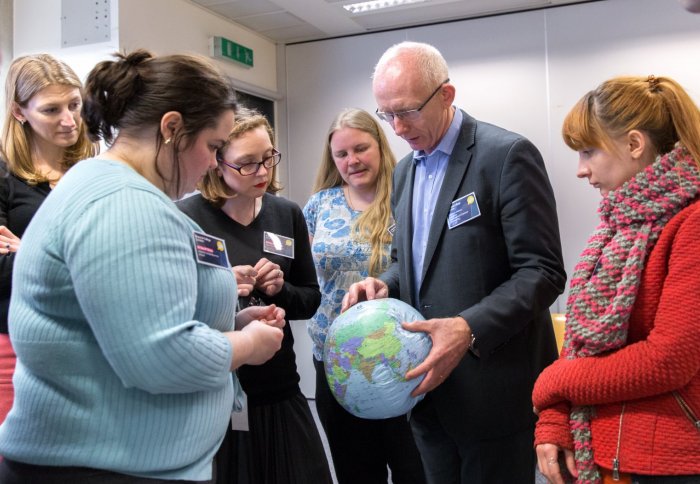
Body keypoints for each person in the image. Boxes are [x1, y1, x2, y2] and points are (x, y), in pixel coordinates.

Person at [0, 50, 285, 483]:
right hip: (97, 469)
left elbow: (132, 320)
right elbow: (159, 357)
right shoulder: (123, 202)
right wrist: (248, 344)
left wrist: (228, 318)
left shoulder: (111, 187)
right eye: (212, 146)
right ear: (171, 128)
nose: (213, 163)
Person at [343, 41, 567, 483]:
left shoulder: (505, 156)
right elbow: (405, 262)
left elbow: (542, 271)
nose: (397, 127)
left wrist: (468, 328)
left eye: (406, 111)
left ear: (446, 95)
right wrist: (385, 285)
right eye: (386, 114)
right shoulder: (405, 171)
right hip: (427, 395)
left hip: (494, 396)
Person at [533, 76, 700, 484]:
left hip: (665, 463)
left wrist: (553, 383)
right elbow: (581, 346)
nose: (580, 170)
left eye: (589, 151)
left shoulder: (692, 224)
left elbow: (669, 360)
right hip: (601, 451)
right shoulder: (616, 227)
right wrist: (553, 423)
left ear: (634, 144)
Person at [177, 107, 333, 484]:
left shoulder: (286, 214)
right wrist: (223, 286)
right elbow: (176, 307)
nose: (263, 172)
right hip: (218, 395)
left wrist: (281, 289)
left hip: (280, 387)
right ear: (216, 162)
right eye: (247, 164)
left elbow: (310, 300)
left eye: (268, 158)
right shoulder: (186, 217)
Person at [303, 107, 426, 484]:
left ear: (380, 145)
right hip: (336, 358)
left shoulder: (409, 196)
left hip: (401, 356)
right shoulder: (319, 205)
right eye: (341, 154)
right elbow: (308, 277)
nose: (352, 160)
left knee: (414, 467)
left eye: (361, 148)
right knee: (355, 468)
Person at [0, 53, 96, 426]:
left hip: (83, 338)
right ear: (20, 112)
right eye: (51, 110)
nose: (69, 120)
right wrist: (70, 259)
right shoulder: (6, 176)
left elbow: (110, 257)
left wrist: (33, 252)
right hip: (13, 344)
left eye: (74, 105)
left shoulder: (91, 172)